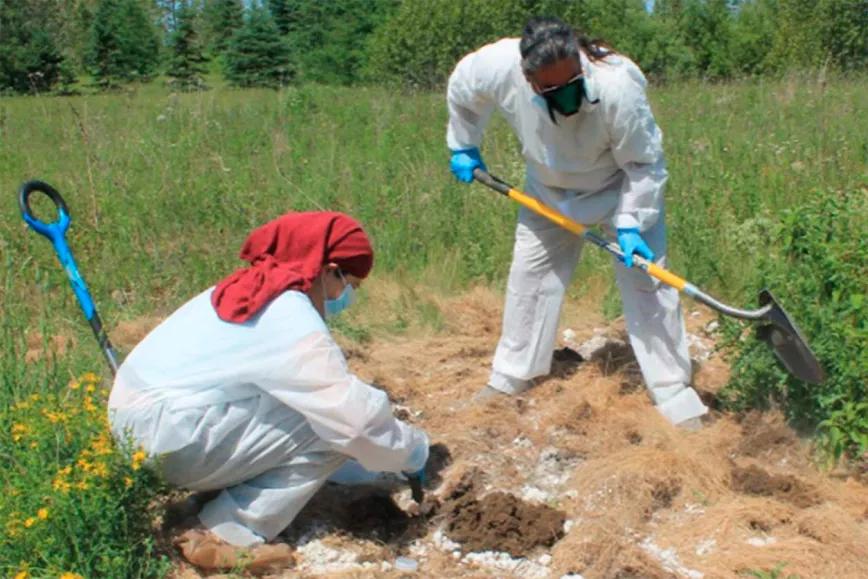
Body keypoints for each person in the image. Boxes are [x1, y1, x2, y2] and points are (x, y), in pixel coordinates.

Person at [108, 211, 430, 571]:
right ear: (329, 270)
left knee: (311, 404)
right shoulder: (287, 315)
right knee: (329, 423)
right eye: (350, 284)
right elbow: (356, 421)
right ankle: (227, 531)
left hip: (142, 427)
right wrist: (413, 451)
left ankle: (230, 484)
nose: (346, 296)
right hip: (172, 439)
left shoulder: (248, 291)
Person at [446, 16, 707, 427]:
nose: (567, 98)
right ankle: (513, 375)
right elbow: (463, 87)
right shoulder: (497, 66)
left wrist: (631, 222)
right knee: (530, 279)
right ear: (529, 80)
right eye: (553, 90)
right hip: (547, 191)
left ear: (579, 63)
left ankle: (672, 390)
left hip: (618, 189)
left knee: (649, 285)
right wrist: (464, 144)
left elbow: (645, 163)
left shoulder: (617, 85)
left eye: (573, 84)